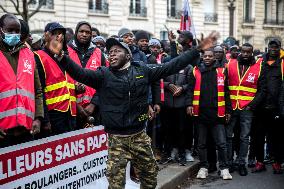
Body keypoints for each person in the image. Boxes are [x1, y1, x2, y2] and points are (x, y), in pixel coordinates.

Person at [50, 29, 219, 188]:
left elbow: (172, 66)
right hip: (116, 140)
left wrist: (196, 50)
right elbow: (80, 73)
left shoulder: (143, 70)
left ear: (128, 55)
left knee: (150, 177)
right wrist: (63, 58)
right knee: (115, 184)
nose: (112, 54)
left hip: (139, 136)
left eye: (117, 51)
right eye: (110, 52)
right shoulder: (103, 75)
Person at [186, 48, 232, 180]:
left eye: (210, 56)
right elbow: (190, 90)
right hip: (200, 114)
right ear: (202, 57)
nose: (207, 58)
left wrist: (228, 110)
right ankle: (204, 167)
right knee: (201, 144)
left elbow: (226, 92)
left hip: (218, 114)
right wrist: (189, 104)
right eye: (205, 56)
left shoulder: (222, 71)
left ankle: (224, 168)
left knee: (222, 143)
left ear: (214, 58)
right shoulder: (195, 71)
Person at [0, 13, 43, 147]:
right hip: (3, 132)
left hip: (26, 128)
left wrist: (38, 118)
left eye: (17, 31)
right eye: (10, 30)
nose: (14, 34)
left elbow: (38, 90)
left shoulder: (29, 54)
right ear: (0, 30)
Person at [226, 43, 266, 176]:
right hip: (231, 106)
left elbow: (262, 90)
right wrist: (226, 105)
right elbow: (224, 86)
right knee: (229, 136)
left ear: (252, 53)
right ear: (239, 52)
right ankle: (230, 162)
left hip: (247, 108)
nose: (245, 54)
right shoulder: (230, 64)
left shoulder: (258, 67)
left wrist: (252, 105)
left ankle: (241, 163)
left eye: (248, 52)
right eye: (243, 51)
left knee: (244, 137)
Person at [35, 22, 77, 135]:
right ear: (47, 36)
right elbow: (39, 91)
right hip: (53, 116)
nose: (59, 37)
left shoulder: (63, 57)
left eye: (61, 34)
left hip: (70, 115)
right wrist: (45, 120)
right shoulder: (38, 57)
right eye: (56, 34)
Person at [252, 39, 284, 174]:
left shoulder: (283, 63)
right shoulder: (259, 62)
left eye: (276, 47)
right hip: (260, 107)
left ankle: (277, 163)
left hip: (276, 107)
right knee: (258, 136)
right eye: (272, 47)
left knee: (277, 138)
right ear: (268, 48)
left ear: (279, 48)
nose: (274, 49)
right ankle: (260, 162)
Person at [67, 21, 107, 128]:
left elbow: (105, 81)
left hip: (94, 109)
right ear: (76, 33)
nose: (84, 34)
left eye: (87, 32)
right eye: (81, 31)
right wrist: (76, 105)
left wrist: (93, 104)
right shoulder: (66, 52)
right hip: (71, 108)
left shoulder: (99, 53)